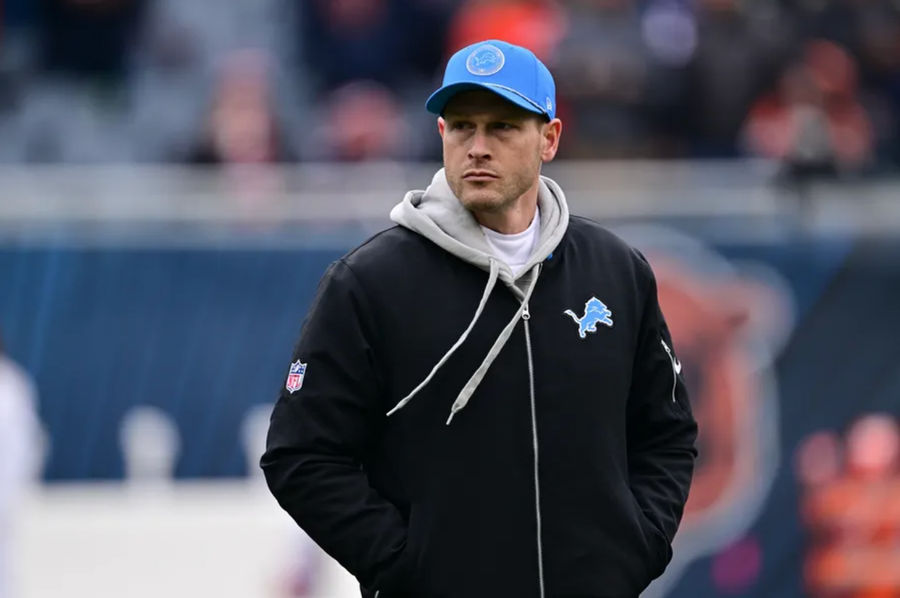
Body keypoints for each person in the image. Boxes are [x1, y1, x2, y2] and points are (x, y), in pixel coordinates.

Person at [262, 39, 698, 598]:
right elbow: (300, 455)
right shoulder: (370, 282)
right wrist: (403, 565)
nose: (478, 147)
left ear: (550, 139)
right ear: (441, 135)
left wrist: (636, 548)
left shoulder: (616, 272)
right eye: (462, 127)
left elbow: (667, 432)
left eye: (502, 127)